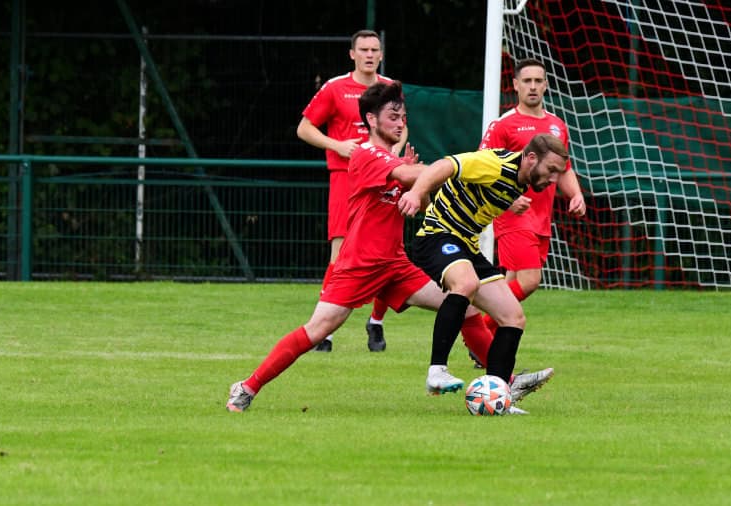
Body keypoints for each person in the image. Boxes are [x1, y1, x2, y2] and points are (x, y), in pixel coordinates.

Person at [228, 81, 468, 413]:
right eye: (393, 116)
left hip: (394, 264)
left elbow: (421, 204)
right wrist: (447, 170)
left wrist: (420, 184)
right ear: (371, 119)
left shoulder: (394, 160)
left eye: (403, 117)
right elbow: (406, 175)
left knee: (462, 302)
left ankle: (503, 380)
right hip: (359, 263)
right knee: (318, 330)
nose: (400, 123)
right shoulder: (366, 153)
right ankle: (247, 387)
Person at [398, 133, 570, 413]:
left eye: (558, 173)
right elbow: (446, 166)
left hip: (467, 245)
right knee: (466, 284)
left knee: (513, 317)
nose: (554, 179)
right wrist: (416, 193)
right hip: (437, 236)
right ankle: (436, 372)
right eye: (551, 170)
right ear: (530, 158)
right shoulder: (495, 164)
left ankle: (499, 395)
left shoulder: (520, 181)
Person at [296, 29, 406, 352]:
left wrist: (394, 154)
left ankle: (376, 321)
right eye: (364, 50)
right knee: (341, 251)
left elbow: (402, 125)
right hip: (345, 177)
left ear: (381, 54)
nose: (369, 55)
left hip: (383, 177)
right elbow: (304, 128)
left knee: (390, 250)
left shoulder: (390, 88)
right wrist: (337, 145)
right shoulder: (335, 88)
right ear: (352, 54)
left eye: (374, 50)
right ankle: (324, 331)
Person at [478, 59, 586, 335]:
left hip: (541, 218)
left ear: (546, 85)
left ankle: (486, 343)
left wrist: (576, 195)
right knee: (530, 280)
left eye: (538, 81)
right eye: (527, 81)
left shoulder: (556, 125)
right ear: (516, 85)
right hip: (512, 214)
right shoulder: (503, 125)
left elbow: (564, 169)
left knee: (511, 282)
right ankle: (478, 329)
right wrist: (506, 198)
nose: (533, 86)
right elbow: (482, 167)